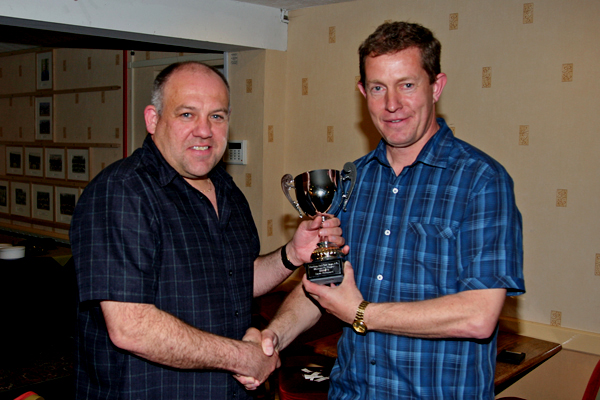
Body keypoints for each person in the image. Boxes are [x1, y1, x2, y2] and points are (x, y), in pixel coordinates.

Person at [242, 21, 525, 399]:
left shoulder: (482, 181)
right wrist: (273, 338)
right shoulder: (351, 182)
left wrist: (361, 312)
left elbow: (479, 315)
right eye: (378, 88)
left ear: (436, 86)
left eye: (406, 85)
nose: (392, 104)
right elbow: (325, 286)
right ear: (363, 92)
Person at [70, 61, 346, 400]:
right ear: (153, 119)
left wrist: (292, 254)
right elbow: (131, 327)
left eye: (216, 116)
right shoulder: (122, 192)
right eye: (187, 114)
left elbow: (236, 279)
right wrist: (242, 357)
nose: (204, 130)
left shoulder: (227, 190)